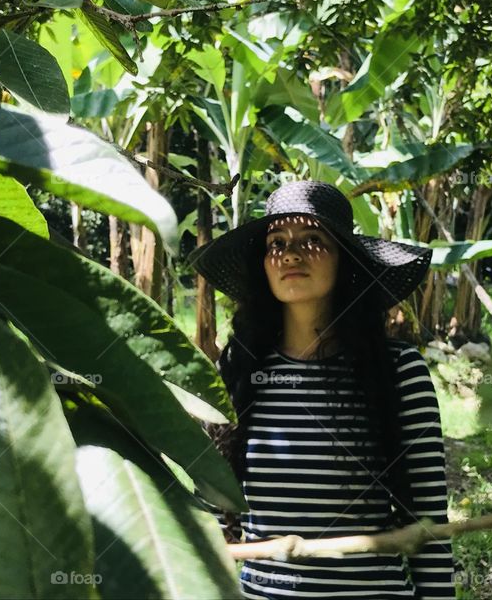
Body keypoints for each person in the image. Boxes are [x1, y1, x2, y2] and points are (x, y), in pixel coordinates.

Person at [188, 180, 456, 599]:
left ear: (345, 260)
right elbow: (214, 520)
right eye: (276, 242)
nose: (290, 253)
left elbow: (429, 524)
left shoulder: (399, 372)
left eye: (313, 239)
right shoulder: (237, 370)